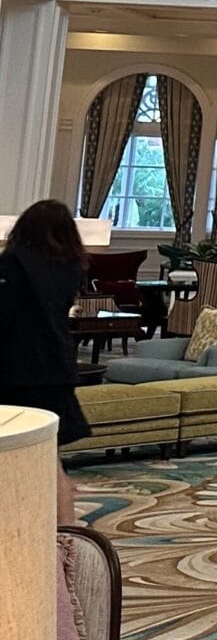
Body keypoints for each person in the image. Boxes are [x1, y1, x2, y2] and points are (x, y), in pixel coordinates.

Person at [0, 199, 92, 522]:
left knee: (22, 451)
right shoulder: (71, 268)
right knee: (48, 454)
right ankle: (63, 525)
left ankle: (51, 524)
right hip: (57, 366)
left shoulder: (13, 263)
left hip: (17, 370)